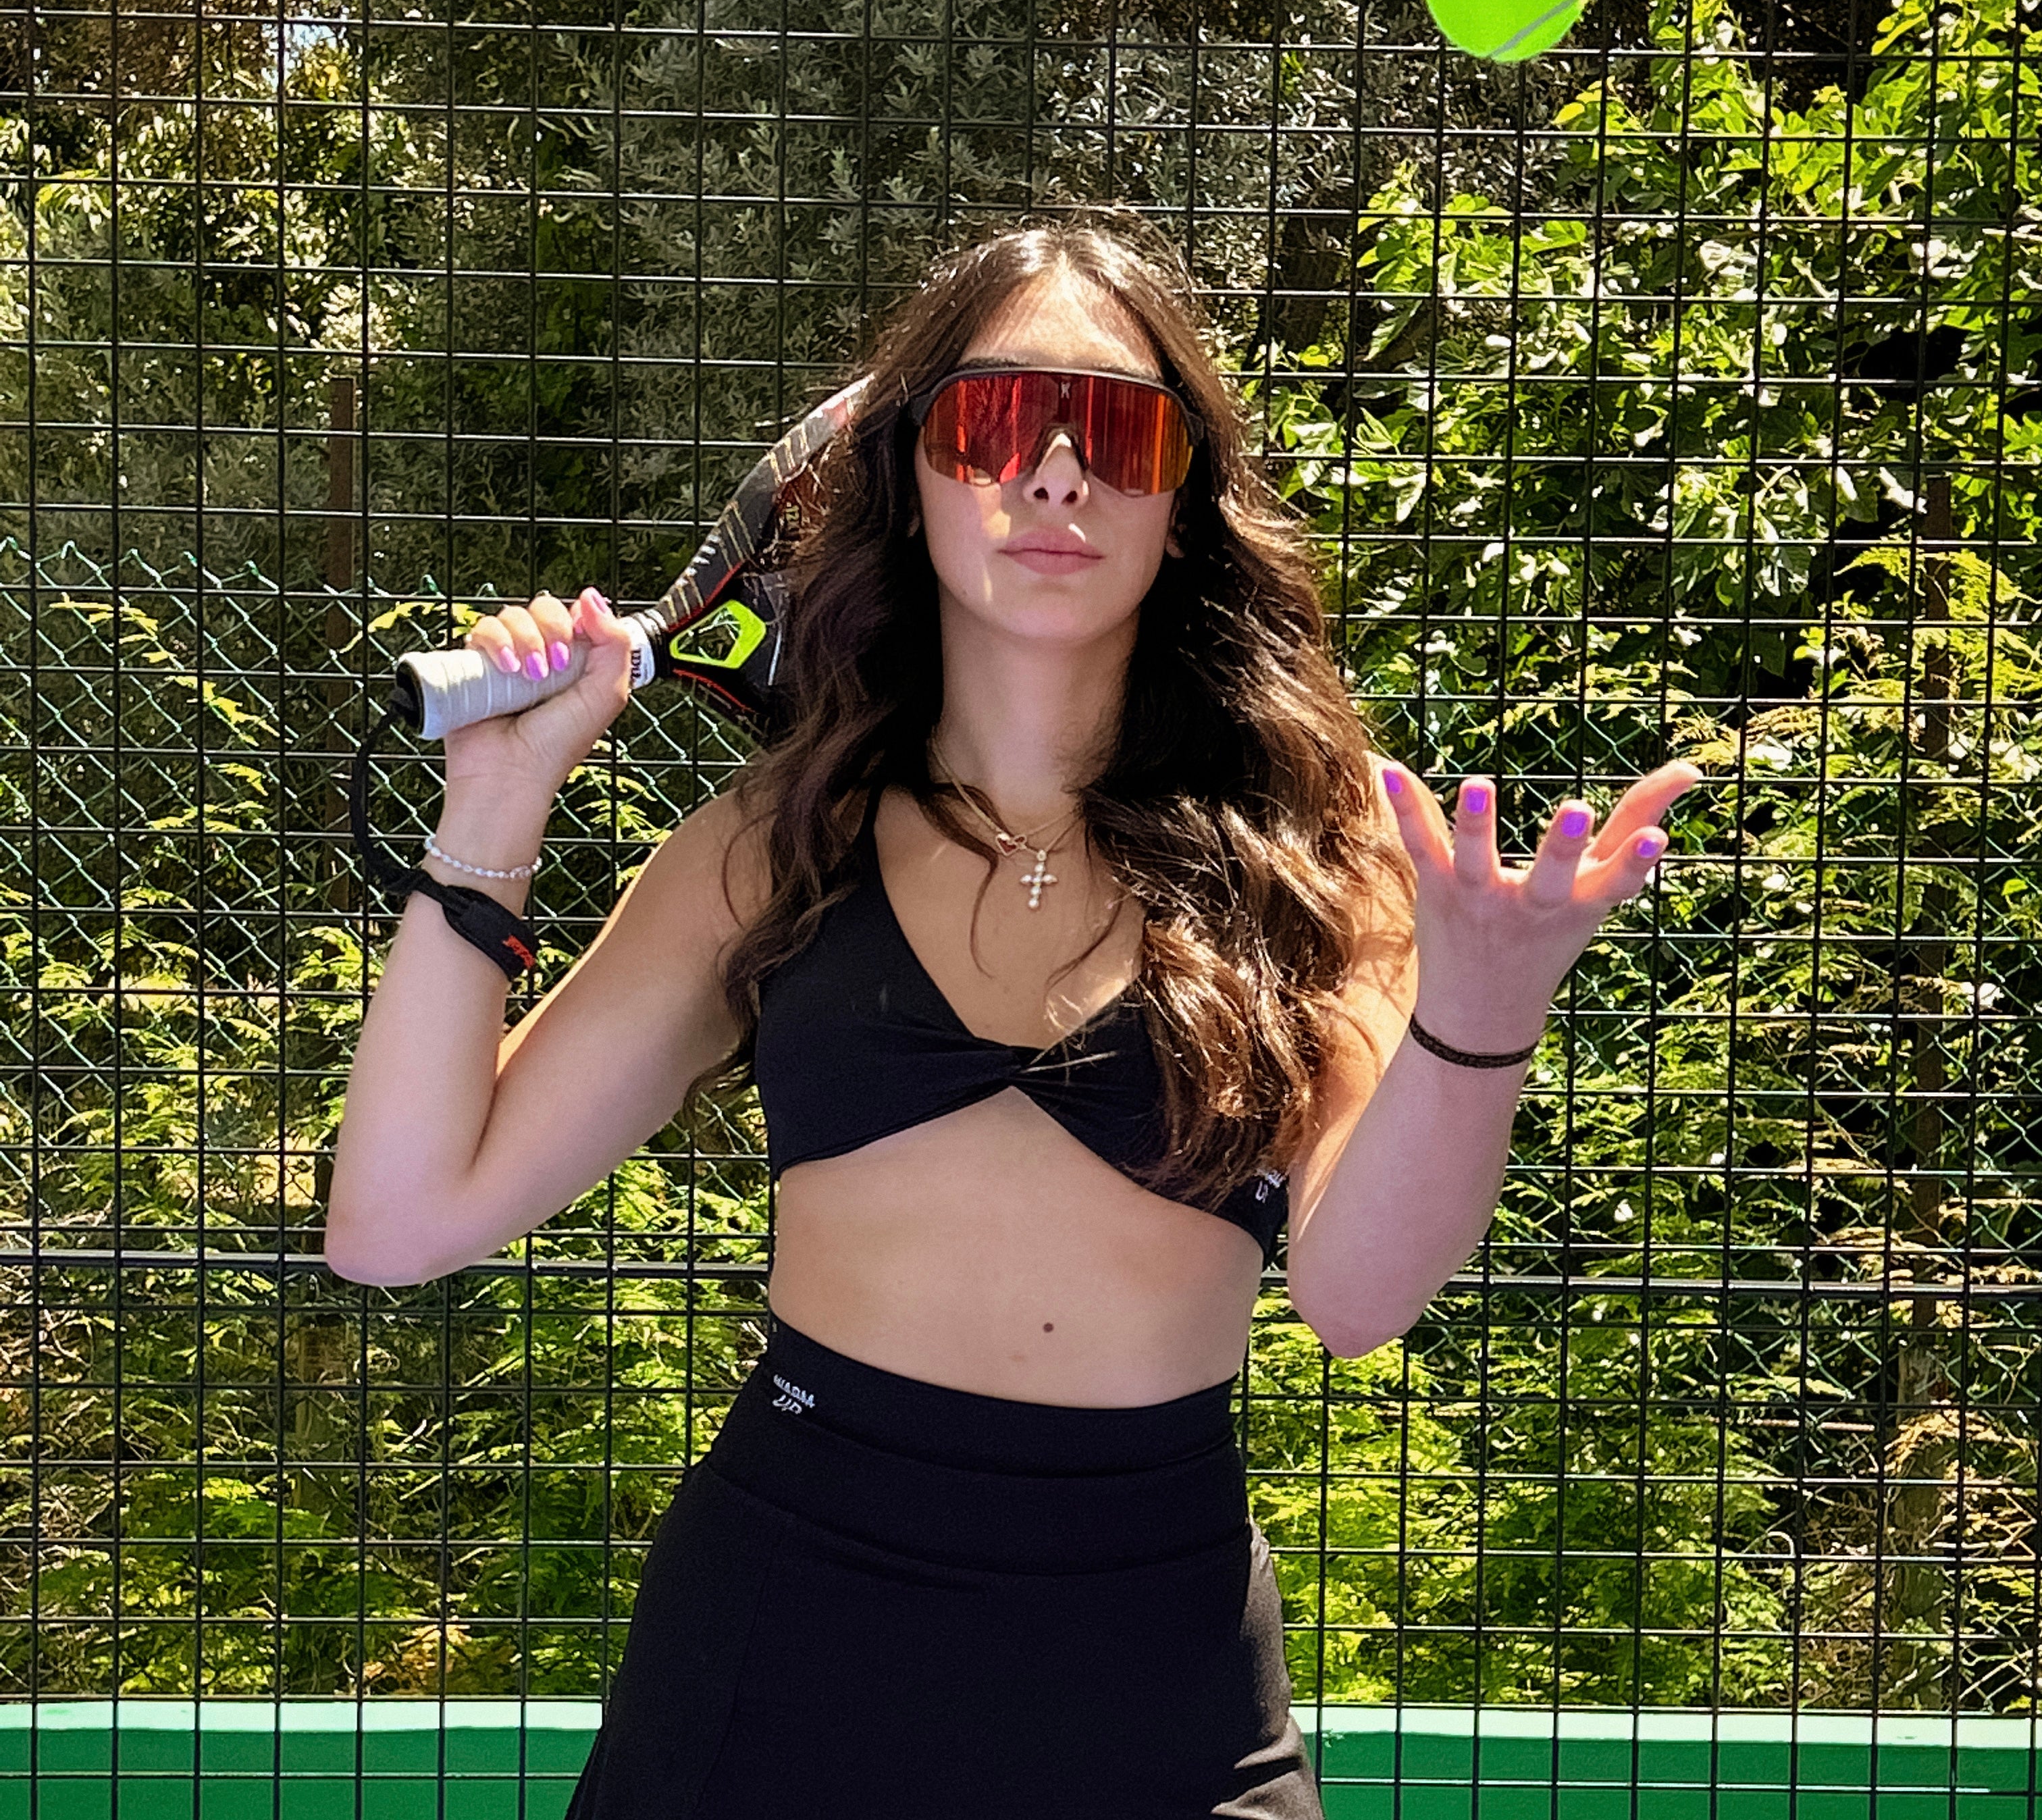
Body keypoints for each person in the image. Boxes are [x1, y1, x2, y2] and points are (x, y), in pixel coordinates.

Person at [325, 218, 1701, 1819]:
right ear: (911, 475)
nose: (1056, 476)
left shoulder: (1322, 862)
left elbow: (1355, 1298)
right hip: (774, 1652)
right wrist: (495, 803)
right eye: (994, 424)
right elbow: (398, 1223)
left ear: (1185, 502)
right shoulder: (770, 846)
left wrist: (1487, 1012)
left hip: (1162, 1685)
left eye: (1116, 431)